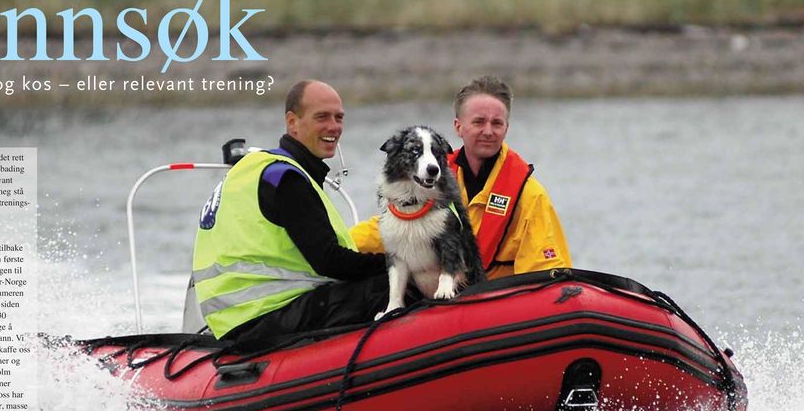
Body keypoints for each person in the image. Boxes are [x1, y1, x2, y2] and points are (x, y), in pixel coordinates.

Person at [192, 80, 388, 343]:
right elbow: (330, 261)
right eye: (322, 117)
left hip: (235, 320)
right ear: (292, 122)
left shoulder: (257, 168)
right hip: (268, 316)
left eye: (339, 117)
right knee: (392, 285)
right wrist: (397, 264)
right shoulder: (287, 180)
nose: (334, 127)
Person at [352, 76, 571, 279]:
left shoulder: (530, 195)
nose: (488, 131)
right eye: (478, 122)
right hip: (442, 295)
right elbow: (393, 227)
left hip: (498, 300)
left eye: (497, 123)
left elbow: (544, 273)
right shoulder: (430, 179)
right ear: (459, 127)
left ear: (506, 128)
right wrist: (343, 242)